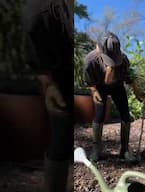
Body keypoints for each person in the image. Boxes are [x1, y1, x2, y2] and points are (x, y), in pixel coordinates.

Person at [23, 0, 73, 191]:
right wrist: (48, 84)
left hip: (68, 59)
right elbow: (38, 56)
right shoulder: (39, 13)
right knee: (61, 132)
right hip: (58, 67)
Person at [84, 32, 145, 163]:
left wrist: (137, 91)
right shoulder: (90, 61)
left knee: (125, 115)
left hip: (118, 86)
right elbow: (89, 82)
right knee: (99, 115)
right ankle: (96, 150)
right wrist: (94, 91)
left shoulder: (123, 59)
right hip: (100, 87)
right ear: (98, 48)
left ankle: (124, 150)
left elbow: (130, 78)